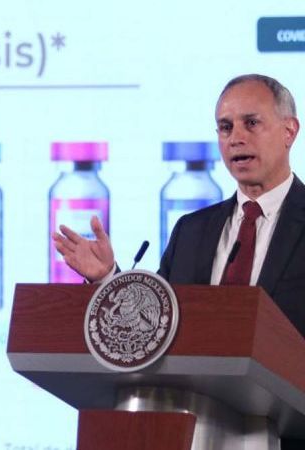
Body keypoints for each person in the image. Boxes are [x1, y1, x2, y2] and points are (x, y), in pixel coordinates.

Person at [54, 73, 304, 447]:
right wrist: (107, 278)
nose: (235, 138)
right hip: (190, 435)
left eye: (251, 123)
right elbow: (159, 325)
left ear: (289, 131)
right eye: (225, 127)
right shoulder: (191, 230)